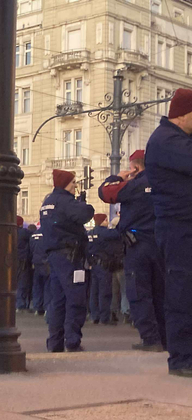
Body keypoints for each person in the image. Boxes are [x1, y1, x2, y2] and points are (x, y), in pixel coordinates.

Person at [145, 88, 192, 377]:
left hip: (184, 227)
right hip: (179, 229)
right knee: (181, 294)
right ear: (185, 115)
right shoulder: (166, 140)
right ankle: (182, 360)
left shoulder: (176, 139)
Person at [100, 150, 166, 352]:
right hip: (161, 244)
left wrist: (118, 177)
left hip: (137, 246)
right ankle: (165, 338)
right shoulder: (165, 183)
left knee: (139, 292)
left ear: (135, 167)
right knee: (161, 293)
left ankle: (150, 339)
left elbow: (105, 192)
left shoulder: (133, 186)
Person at [40, 169, 94, 352]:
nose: (75, 187)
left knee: (58, 301)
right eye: (73, 184)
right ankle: (72, 341)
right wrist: (84, 204)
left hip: (54, 258)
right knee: (75, 299)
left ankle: (55, 342)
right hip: (71, 258)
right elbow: (85, 214)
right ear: (65, 184)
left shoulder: (47, 202)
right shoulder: (65, 201)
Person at [86, 214, 121, 326]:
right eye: (106, 220)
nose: (107, 222)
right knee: (104, 291)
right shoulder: (106, 233)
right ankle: (104, 317)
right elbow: (119, 234)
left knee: (94, 291)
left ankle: (94, 316)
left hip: (94, 264)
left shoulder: (90, 233)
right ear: (102, 221)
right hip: (104, 265)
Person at [30, 227, 49, 316]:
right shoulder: (49, 232)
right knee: (47, 286)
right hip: (46, 262)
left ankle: (37, 307)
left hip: (36, 262)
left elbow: (31, 248)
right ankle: (47, 308)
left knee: (37, 285)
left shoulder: (34, 234)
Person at [16, 216, 33, 313]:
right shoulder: (23, 233)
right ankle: (21, 305)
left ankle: (14, 304)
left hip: (11, 261)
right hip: (22, 261)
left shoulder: (8, 232)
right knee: (22, 283)